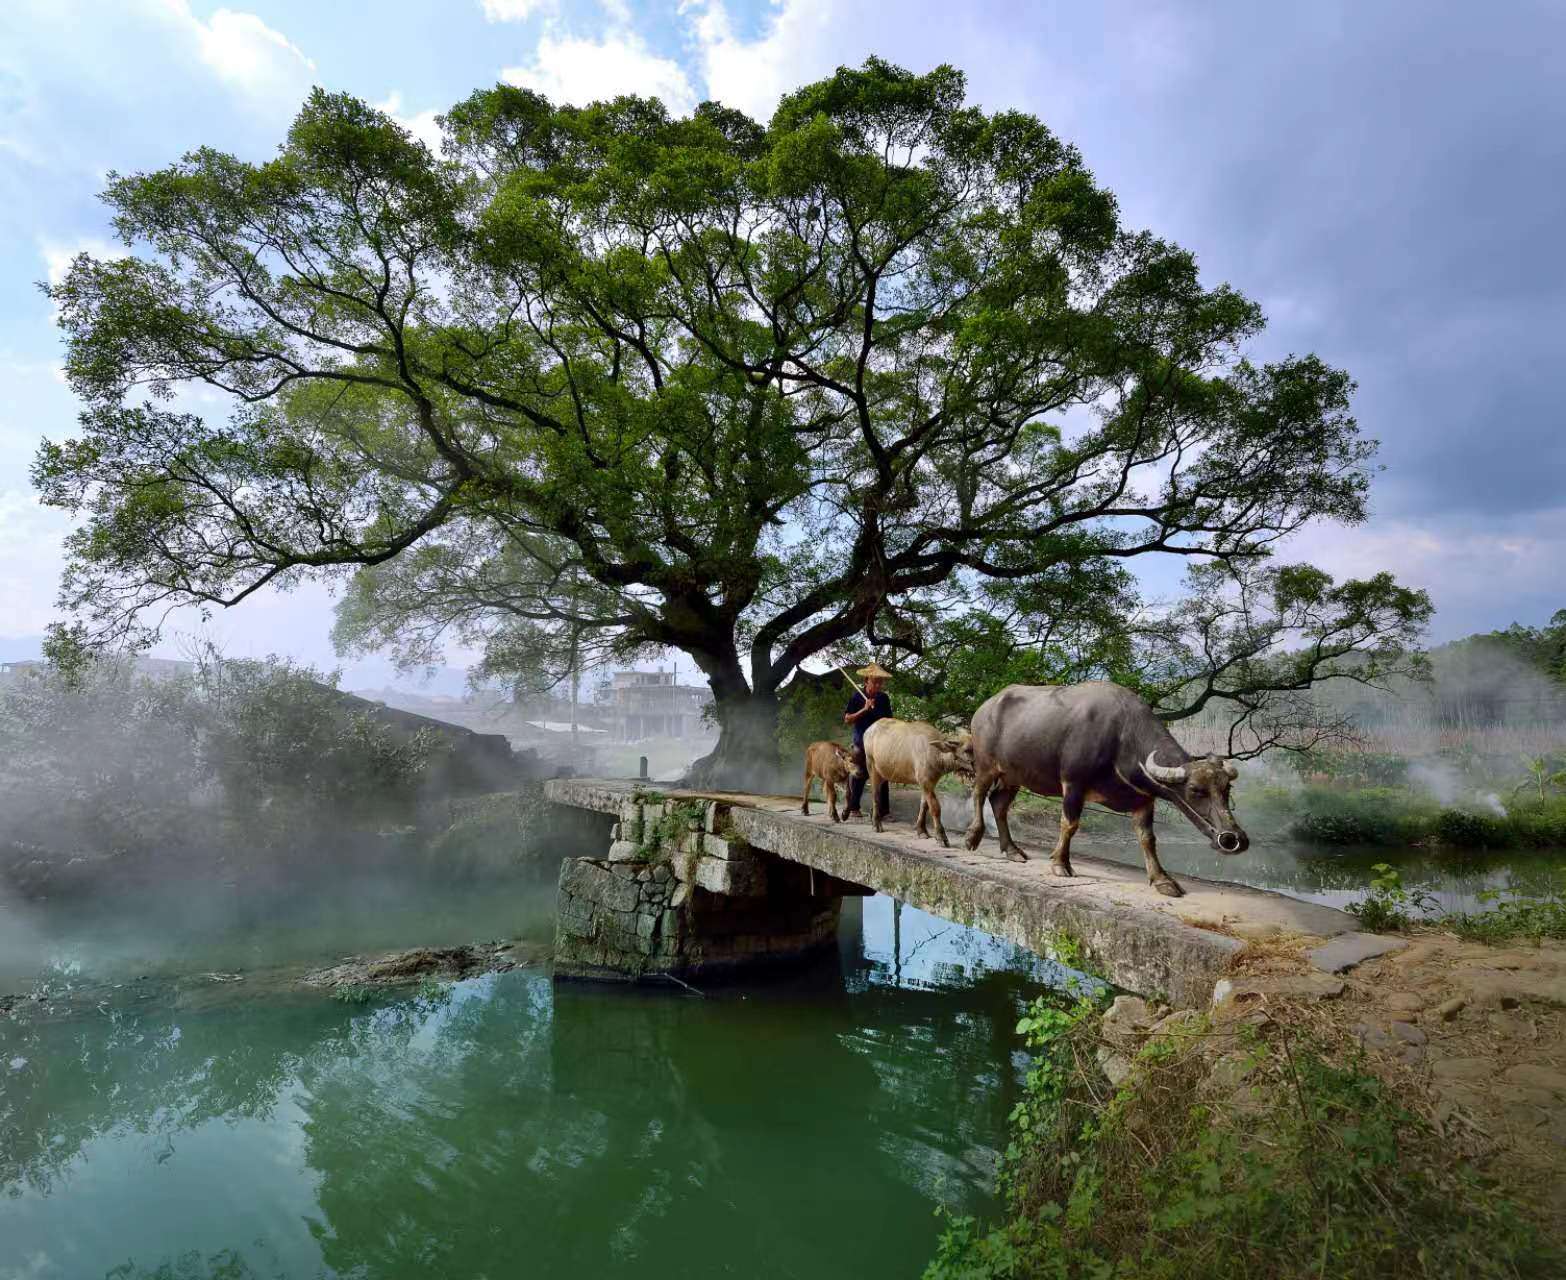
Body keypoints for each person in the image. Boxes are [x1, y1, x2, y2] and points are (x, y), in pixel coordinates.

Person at [842, 663, 893, 820]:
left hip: (879, 742)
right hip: (862, 739)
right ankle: (853, 807)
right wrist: (864, 709)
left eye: (880, 682)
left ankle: (883, 810)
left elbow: (889, 720)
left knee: (883, 774)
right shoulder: (857, 697)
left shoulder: (883, 698)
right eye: (875, 681)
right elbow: (847, 719)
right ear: (866, 681)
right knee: (860, 773)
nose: (878, 685)